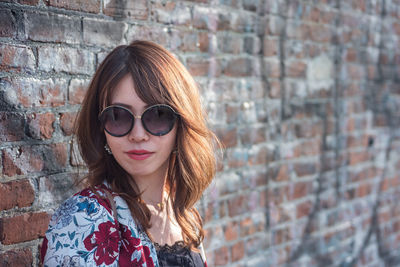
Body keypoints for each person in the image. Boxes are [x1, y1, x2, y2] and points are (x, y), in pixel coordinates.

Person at [41, 40, 219, 267]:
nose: (138, 134)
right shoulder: (84, 219)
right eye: (118, 116)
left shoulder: (185, 216)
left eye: (157, 115)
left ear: (181, 125)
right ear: (100, 127)